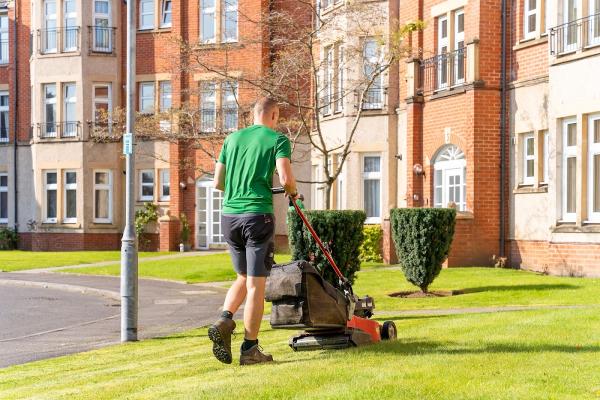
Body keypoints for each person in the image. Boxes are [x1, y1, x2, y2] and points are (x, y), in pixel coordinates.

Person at [209, 97, 298, 366]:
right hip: (257, 216)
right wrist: (292, 192)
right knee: (256, 284)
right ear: (274, 116)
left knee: (242, 276)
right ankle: (250, 349)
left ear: (252, 115)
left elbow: (218, 182)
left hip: (229, 216)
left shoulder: (231, 139)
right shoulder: (277, 139)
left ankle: (225, 319)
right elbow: (285, 178)